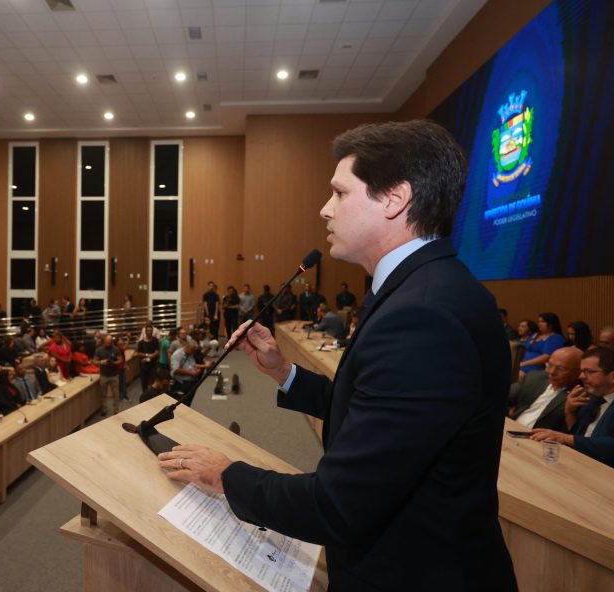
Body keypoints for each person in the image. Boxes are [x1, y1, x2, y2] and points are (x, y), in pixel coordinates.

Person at [158, 120, 517, 591]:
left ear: (394, 198)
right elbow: (379, 417)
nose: (324, 209)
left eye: (340, 193)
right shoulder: (421, 291)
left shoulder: (425, 317)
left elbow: (339, 505)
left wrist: (226, 475)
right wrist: (286, 373)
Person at [530, 348, 614, 467]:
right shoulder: (590, 397)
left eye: (588, 371)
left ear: (612, 376)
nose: (581, 376)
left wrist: (565, 438)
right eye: (581, 371)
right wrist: (569, 411)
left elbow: (610, 446)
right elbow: (578, 435)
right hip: (577, 462)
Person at [509, 346, 582, 431]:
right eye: (550, 365)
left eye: (560, 369)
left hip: (538, 440)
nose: (552, 372)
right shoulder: (534, 377)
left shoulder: (578, 396)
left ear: (578, 373)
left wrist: (570, 412)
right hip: (512, 429)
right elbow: (503, 397)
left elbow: (572, 433)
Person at [93, 336, 121, 417]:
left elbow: (120, 360)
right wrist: (101, 362)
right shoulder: (99, 350)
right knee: (103, 394)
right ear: (104, 341)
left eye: (110, 342)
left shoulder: (116, 349)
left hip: (114, 375)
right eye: (107, 342)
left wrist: (114, 362)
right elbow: (94, 362)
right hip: (104, 375)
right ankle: (104, 409)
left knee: (116, 393)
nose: (108, 344)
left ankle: (116, 409)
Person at [136, 322, 160, 392]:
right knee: (144, 384)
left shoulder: (155, 340)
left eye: (150, 331)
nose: (149, 332)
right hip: (144, 366)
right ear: (145, 331)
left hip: (153, 365)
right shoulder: (141, 342)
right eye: (148, 331)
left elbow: (157, 351)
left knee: (153, 382)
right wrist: (147, 355)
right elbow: (138, 353)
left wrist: (151, 356)